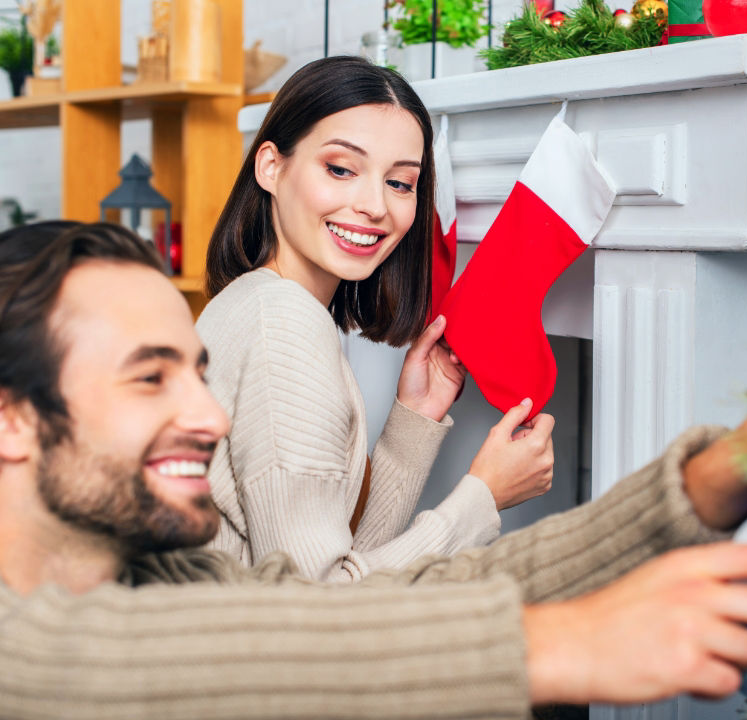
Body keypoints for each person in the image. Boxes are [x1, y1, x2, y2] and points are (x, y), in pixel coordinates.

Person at [0, 222, 747, 719]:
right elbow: (116, 662)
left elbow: (360, 609)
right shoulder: (43, 648)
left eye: (197, 371)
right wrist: (562, 644)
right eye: (151, 378)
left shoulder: (167, 575)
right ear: (11, 415)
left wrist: (711, 479)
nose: (212, 416)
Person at [197, 56, 554, 581]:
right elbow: (315, 611)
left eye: (400, 183)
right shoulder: (284, 327)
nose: (374, 206)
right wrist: (484, 497)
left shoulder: (255, 303)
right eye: (340, 169)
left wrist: (415, 421)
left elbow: (338, 568)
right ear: (271, 166)